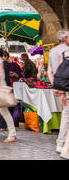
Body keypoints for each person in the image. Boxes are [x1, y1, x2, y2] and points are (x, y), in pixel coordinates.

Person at [47, 29, 69, 158]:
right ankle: (62, 145)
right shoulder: (66, 51)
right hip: (66, 86)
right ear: (65, 38)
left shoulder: (52, 51)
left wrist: (56, 85)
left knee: (65, 114)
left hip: (60, 85)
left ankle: (62, 143)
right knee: (66, 115)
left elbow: (50, 71)